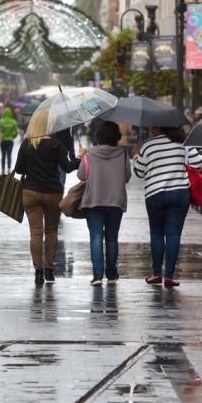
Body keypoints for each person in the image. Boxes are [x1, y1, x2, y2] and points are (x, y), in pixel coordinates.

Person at [15, 110, 82, 286]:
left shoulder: (27, 144)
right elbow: (67, 168)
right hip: (52, 192)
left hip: (31, 193)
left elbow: (19, 169)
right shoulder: (56, 144)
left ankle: (38, 271)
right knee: (51, 231)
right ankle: (49, 270)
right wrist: (79, 159)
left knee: (35, 233)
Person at [132, 126, 202, 287]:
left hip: (155, 194)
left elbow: (138, 172)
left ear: (156, 127)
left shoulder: (148, 146)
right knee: (173, 234)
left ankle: (157, 273)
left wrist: (136, 155)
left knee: (157, 233)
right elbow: (199, 162)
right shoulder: (182, 143)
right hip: (179, 193)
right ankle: (169, 276)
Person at [77, 121, 131, 286]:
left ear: (99, 136)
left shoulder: (90, 154)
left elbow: (81, 176)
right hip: (115, 201)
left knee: (96, 237)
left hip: (93, 201)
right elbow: (127, 177)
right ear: (117, 137)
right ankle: (112, 274)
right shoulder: (122, 154)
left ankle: (97, 276)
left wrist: (83, 158)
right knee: (112, 238)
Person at [0, 106, 19, 173]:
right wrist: (12, 136)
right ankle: (9, 169)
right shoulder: (13, 122)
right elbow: (16, 132)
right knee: (9, 155)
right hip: (10, 141)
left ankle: (3, 170)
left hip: (2, 140)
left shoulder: (1, 121)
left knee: (3, 155)